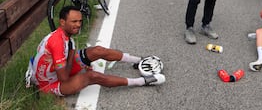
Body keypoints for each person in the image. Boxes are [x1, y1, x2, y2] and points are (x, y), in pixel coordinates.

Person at [30, 5, 165, 96]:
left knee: (98, 51)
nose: (78, 24)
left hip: (58, 70)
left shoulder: (65, 36)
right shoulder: (57, 42)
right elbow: (64, 78)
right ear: (62, 22)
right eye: (74, 21)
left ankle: (139, 60)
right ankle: (141, 81)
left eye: (80, 21)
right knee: (93, 76)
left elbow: (66, 61)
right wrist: (73, 57)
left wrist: (78, 60)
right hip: (49, 84)